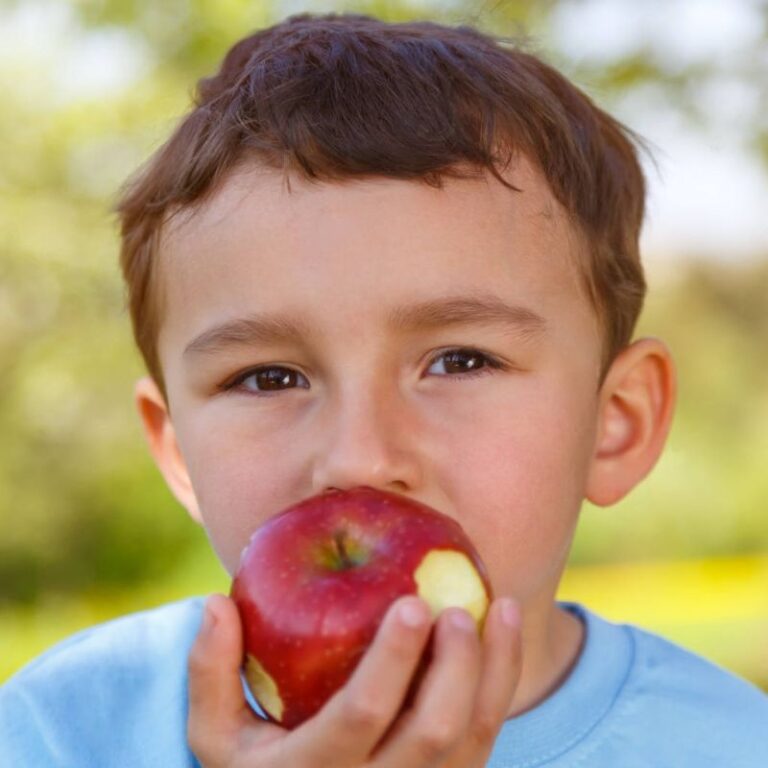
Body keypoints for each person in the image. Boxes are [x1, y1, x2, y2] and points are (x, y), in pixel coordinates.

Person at [1, 11, 766, 767]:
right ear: (176, 452)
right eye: (269, 378)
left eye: (460, 360)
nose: (359, 460)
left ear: (617, 424)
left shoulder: (732, 746)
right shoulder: (57, 732)